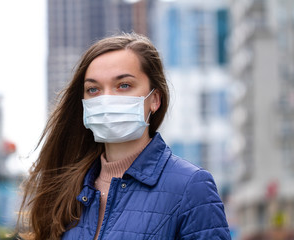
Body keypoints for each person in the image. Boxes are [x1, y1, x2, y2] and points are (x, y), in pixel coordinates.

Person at [17, 33, 231, 240]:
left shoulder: (191, 187)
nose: (107, 98)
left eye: (124, 85)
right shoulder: (67, 189)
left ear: (154, 99)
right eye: (93, 89)